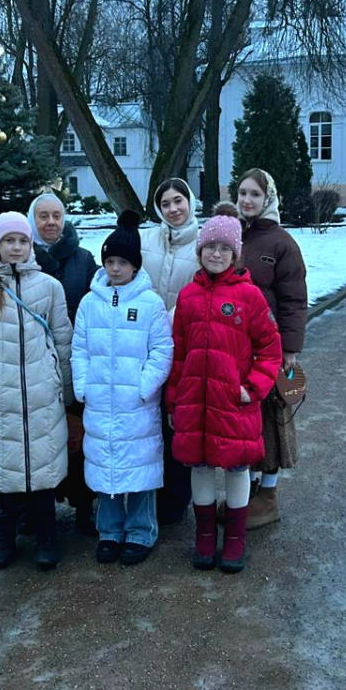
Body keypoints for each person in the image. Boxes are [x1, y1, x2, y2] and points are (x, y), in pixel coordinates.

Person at [0, 211, 73, 571]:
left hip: (41, 396)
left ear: (31, 244)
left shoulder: (49, 287)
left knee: (44, 468)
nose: (17, 247)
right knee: (3, 469)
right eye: (9, 240)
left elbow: (63, 339)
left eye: (22, 240)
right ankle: (4, 534)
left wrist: (62, 388)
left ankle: (46, 536)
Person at [167, 204, 282, 573]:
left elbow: (270, 350)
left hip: (233, 402)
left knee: (234, 470)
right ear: (199, 251)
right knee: (199, 466)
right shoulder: (187, 297)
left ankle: (234, 539)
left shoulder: (249, 297)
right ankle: (204, 537)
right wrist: (174, 399)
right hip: (194, 402)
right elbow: (179, 353)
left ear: (235, 254)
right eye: (210, 247)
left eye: (225, 249)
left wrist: (253, 388)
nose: (216, 254)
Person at [72, 210, 174, 566]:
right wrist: (83, 386)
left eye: (122, 262)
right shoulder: (90, 302)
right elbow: (79, 347)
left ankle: (141, 530)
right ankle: (110, 530)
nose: (115, 268)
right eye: (110, 261)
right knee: (105, 465)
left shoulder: (150, 304)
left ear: (135, 266)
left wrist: (145, 386)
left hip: (137, 403)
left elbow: (162, 349)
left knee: (140, 466)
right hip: (100, 400)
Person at [235, 169, 308, 529]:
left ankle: (269, 493)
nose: (247, 200)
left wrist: (291, 350)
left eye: (255, 194)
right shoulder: (233, 235)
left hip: (271, 348)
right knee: (244, 417)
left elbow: (294, 299)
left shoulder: (281, 243)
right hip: (237, 347)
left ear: (269, 199)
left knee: (272, 418)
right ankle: (246, 490)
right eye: (243, 193)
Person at [27, 191, 97, 535]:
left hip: (71, 361)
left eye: (57, 215)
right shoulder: (23, 258)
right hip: (32, 366)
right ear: (32, 220)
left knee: (77, 438)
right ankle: (38, 512)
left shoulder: (83, 259)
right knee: (39, 439)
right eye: (44, 216)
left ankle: (84, 508)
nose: (51, 222)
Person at [139, 178, 199, 525]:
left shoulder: (204, 242)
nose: (174, 209)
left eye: (179, 201)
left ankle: (176, 498)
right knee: (149, 422)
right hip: (144, 345)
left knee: (177, 422)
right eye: (166, 204)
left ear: (189, 202)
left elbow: (201, 288)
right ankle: (148, 492)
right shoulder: (147, 239)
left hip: (183, 346)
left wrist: (166, 324)